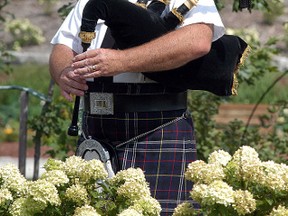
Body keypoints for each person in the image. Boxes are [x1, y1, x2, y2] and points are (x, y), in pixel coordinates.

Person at [49, 0, 225, 214]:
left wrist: (122, 61)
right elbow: (63, 45)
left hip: (158, 130)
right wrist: (64, 73)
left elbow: (197, 41)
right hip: (96, 131)